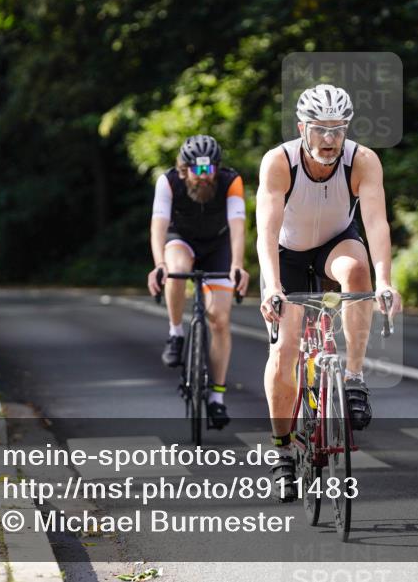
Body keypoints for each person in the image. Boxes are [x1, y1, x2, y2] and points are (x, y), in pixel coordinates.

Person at [256, 84, 402, 501]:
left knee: (357, 271)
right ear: (302, 127)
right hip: (287, 254)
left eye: (338, 129)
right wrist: (273, 287)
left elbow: (376, 224)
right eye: (320, 128)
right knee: (285, 352)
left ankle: (353, 378)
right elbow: (266, 231)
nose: (329, 139)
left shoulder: (362, 161)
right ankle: (282, 450)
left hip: (336, 244)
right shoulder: (279, 161)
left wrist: (385, 281)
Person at [147, 135, 250, 429]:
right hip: (181, 239)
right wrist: (160, 265)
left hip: (218, 245)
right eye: (198, 170)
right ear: (184, 169)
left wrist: (237, 265)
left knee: (219, 319)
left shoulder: (231, 181)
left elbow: (237, 226)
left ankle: (217, 397)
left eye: (209, 170)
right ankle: (176, 332)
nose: (204, 177)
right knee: (177, 270)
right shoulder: (168, 182)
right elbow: (158, 226)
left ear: (217, 168)